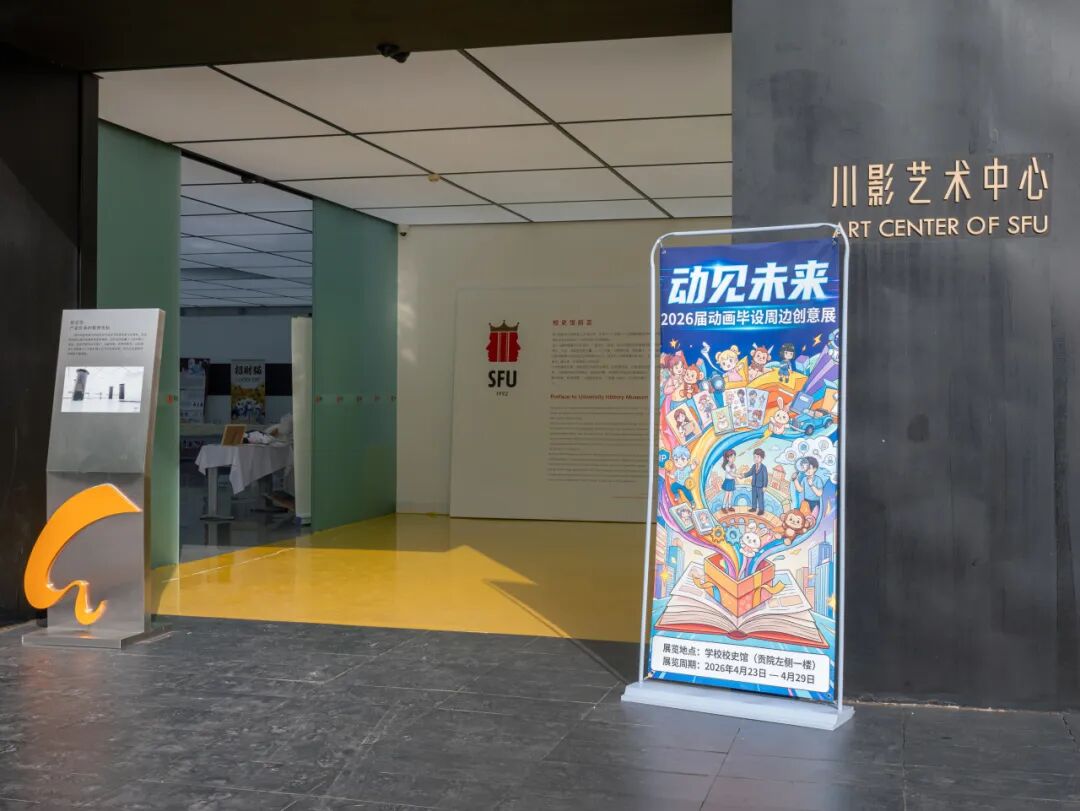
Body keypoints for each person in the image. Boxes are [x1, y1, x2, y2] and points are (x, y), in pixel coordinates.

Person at [745, 448, 768, 515]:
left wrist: (765, 486)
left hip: (760, 486)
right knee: (754, 497)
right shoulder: (753, 466)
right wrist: (743, 475)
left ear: (762, 458)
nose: (756, 459)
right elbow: (749, 473)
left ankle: (761, 510)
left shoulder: (764, 467)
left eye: (758, 457)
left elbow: (765, 477)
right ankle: (754, 508)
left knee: (760, 498)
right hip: (754, 485)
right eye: (754, 457)